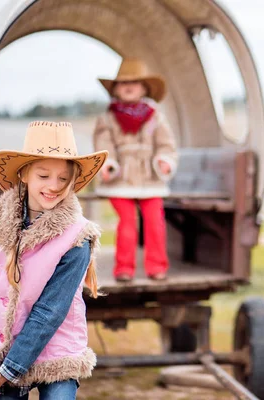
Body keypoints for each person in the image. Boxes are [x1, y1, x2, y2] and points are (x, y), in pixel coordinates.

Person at [0, 121, 108, 399]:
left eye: (63, 178)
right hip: (2, 346)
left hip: (56, 348)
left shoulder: (77, 237)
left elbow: (48, 314)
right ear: (24, 174)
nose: (54, 186)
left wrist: (6, 373)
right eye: (44, 175)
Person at [93, 58, 178, 282]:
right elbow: (104, 145)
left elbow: (166, 144)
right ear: (116, 89)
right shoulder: (108, 119)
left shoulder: (155, 117)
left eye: (135, 83)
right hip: (121, 180)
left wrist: (164, 159)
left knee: (155, 221)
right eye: (123, 83)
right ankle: (124, 268)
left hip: (149, 179)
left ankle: (157, 266)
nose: (129, 87)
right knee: (128, 222)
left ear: (144, 88)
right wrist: (108, 163)